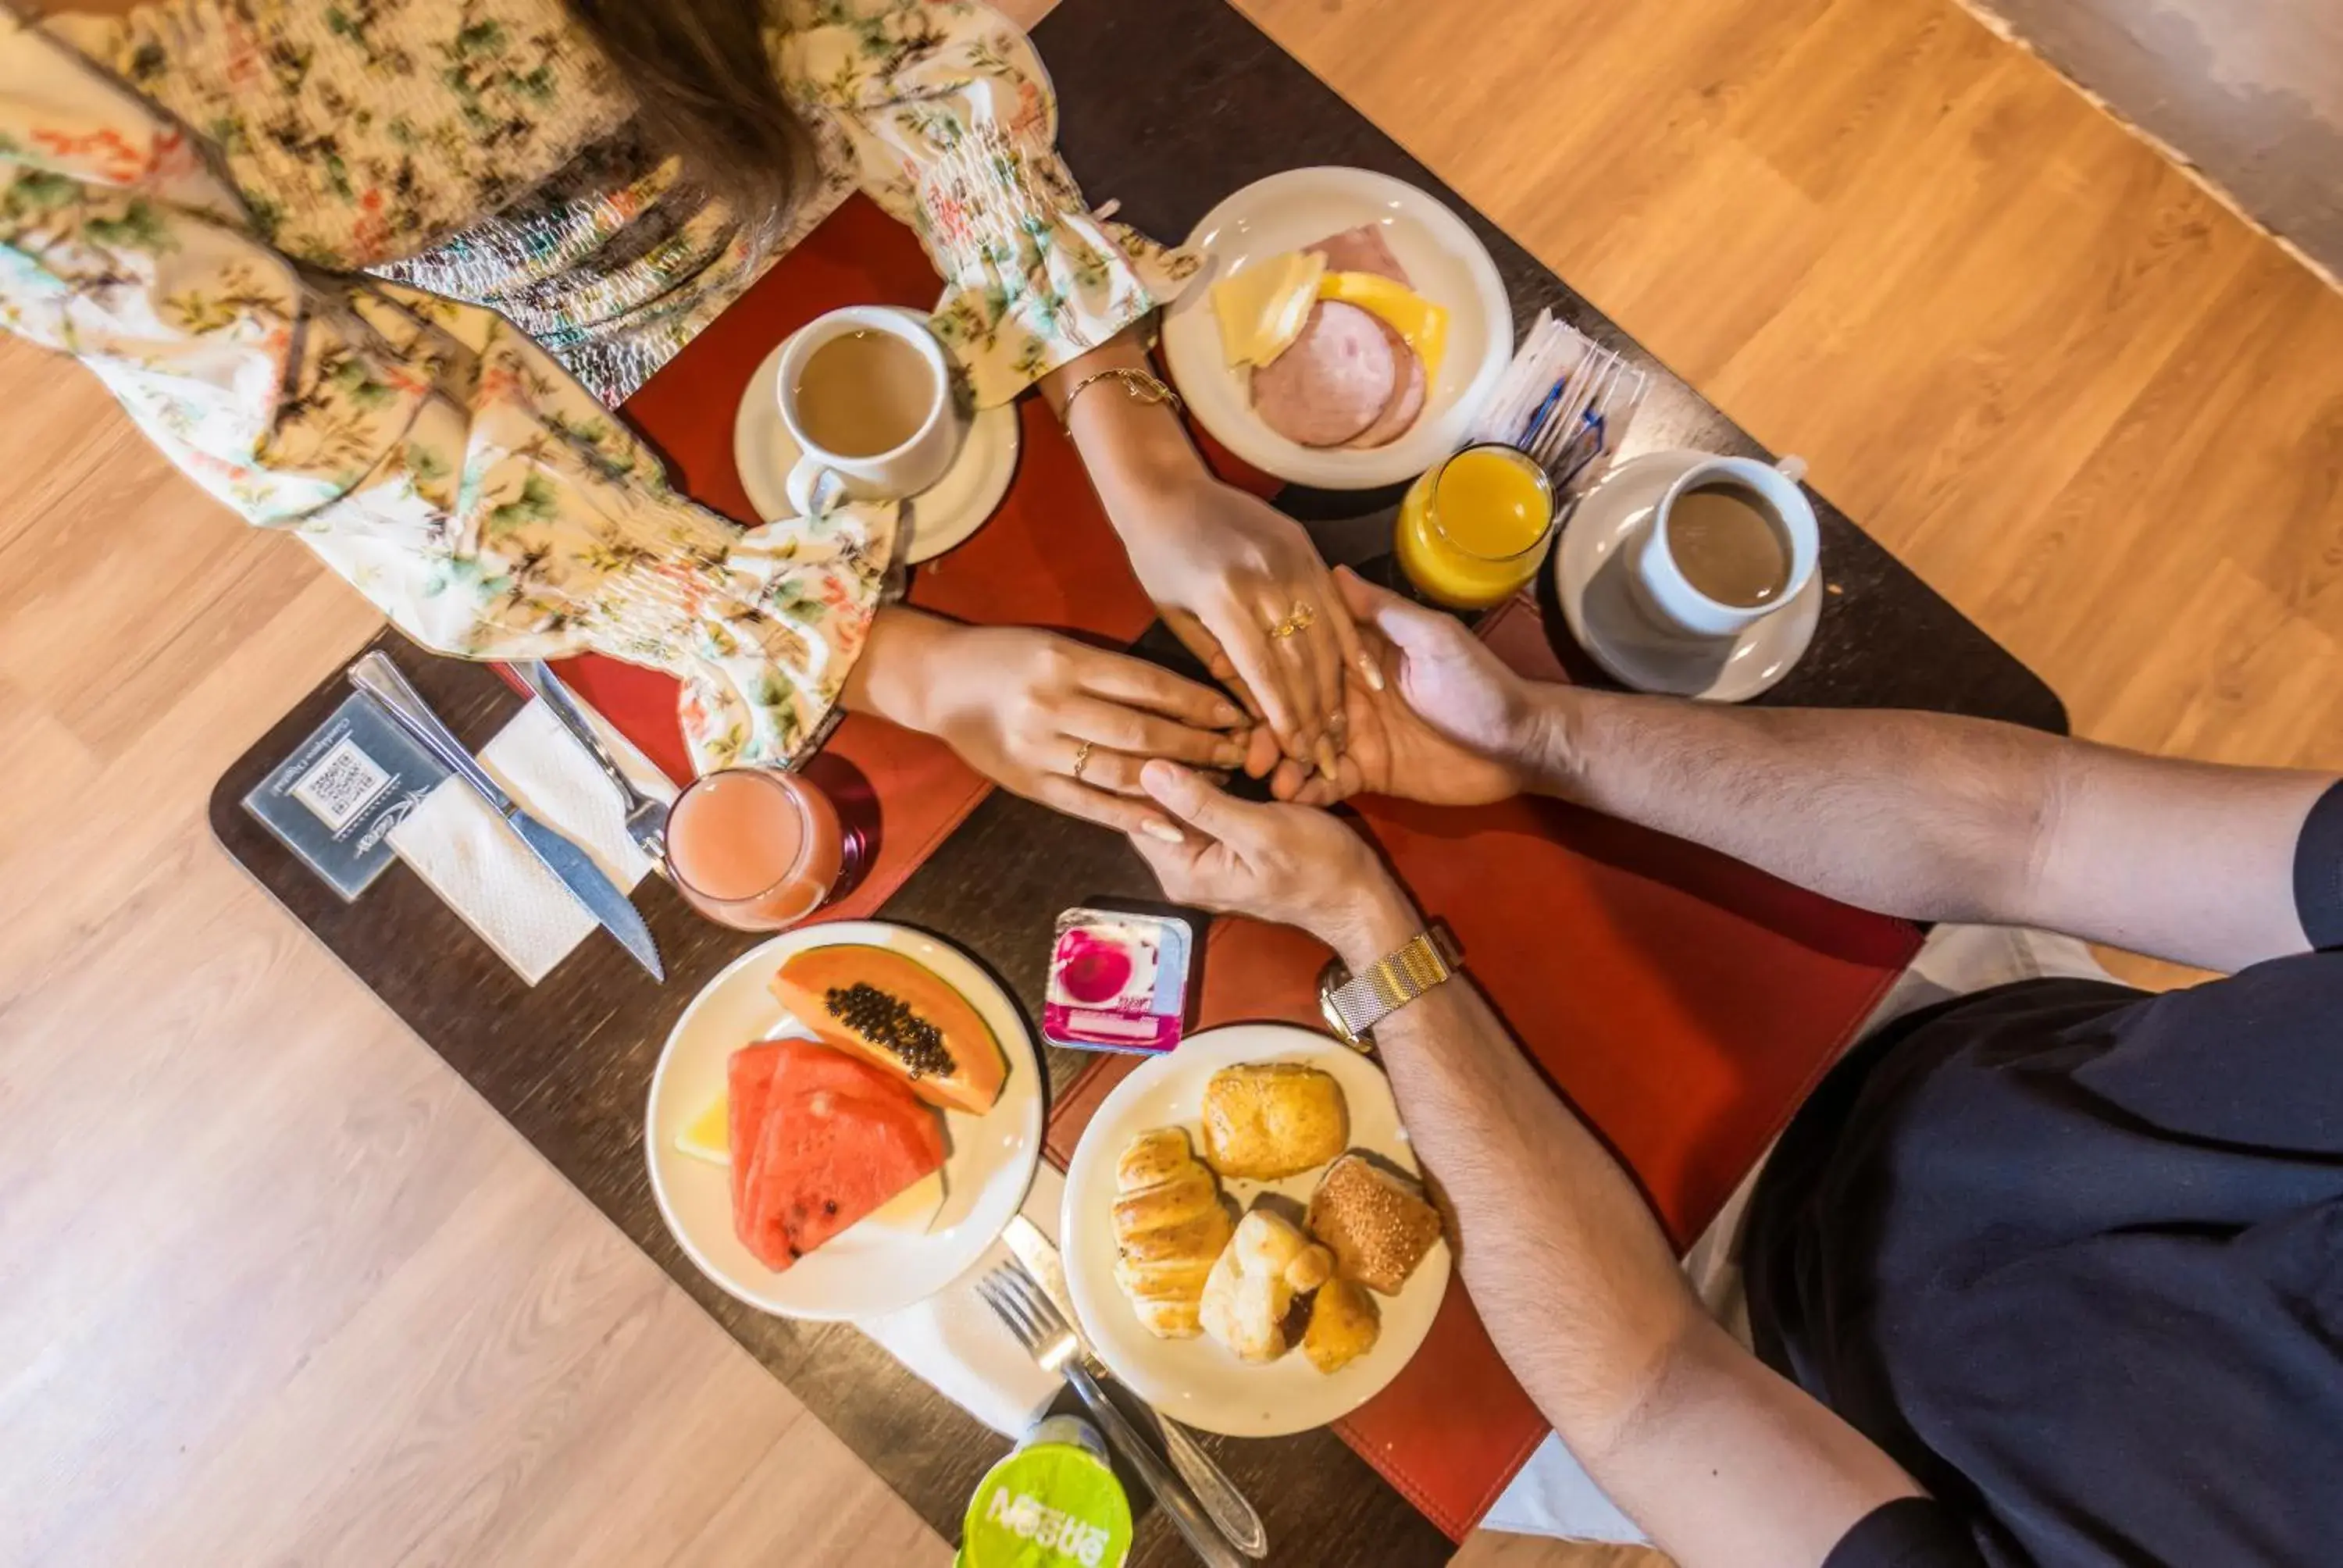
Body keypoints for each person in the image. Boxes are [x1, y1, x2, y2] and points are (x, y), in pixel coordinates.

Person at [1125, 566, 2343, 1567]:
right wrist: (1535, 736)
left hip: (1742, 1365)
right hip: (1962, 991)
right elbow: (2036, 828)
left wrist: (1370, 925)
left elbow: (1653, 1395)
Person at [0, 0, 1360, 835]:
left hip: (841, 158)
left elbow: (878, 34)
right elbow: (336, 437)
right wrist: (908, 669)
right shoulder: (29, 115)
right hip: (550, 397)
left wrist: (1136, 439)